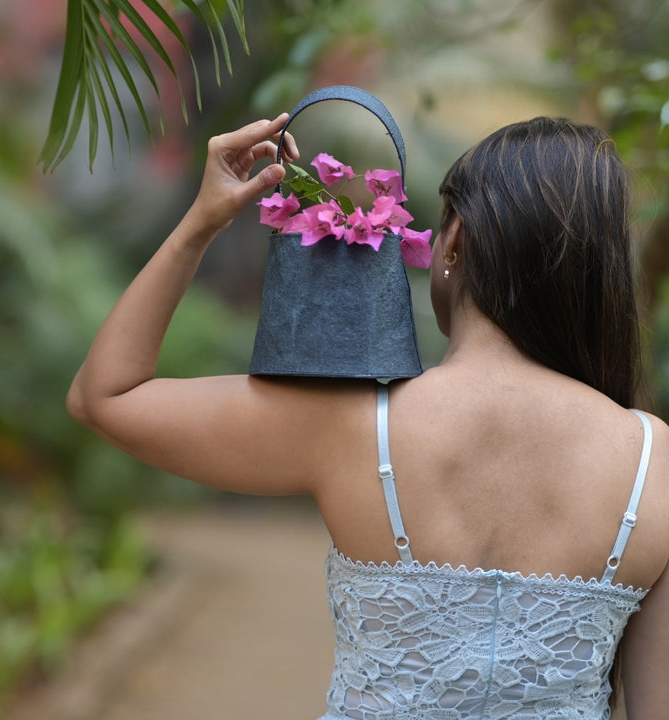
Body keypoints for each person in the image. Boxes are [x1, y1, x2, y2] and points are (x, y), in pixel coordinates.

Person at [67, 112, 669, 719]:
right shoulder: (655, 462)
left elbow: (105, 397)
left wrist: (201, 223)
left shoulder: (353, 424)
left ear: (454, 241)